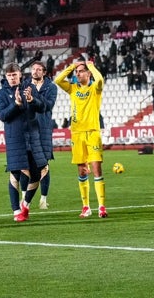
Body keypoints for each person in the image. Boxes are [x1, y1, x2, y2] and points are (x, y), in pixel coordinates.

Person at [55, 56, 108, 217]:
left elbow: (100, 79)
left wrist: (91, 66)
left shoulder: (95, 89)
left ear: (88, 73)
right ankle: (86, 207)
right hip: (77, 134)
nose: (78, 74)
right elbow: (58, 80)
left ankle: (101, 207)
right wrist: (72, 66)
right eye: (77, 72)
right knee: (81, 171)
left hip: (92, 133)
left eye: (81, 72)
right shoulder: (73, 89)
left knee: (96, 168)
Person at [0, 62, 48, 222]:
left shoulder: (29, 88)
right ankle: (16, 210)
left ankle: (25, 203)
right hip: (15, 138)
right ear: (6, 77)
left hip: (33, 137)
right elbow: (3, 115)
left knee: (38, 173)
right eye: (9, 75)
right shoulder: (1, 94)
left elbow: (43, 107)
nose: (12, 78)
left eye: (14, 75)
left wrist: (32, 100)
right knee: (15, 174)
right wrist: (16, 105)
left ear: (20, 75)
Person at [28, 60, 57, 209]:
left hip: (43, 129)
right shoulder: (26, 85)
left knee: (44, 166)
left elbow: (48, 106)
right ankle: (25, 199)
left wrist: (33, 98)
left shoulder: (51, 87)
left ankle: (43, 199)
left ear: (44, 72)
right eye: (33, 69)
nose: (35, 71)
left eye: (39, 69)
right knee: (25, 166)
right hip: (28, 128)